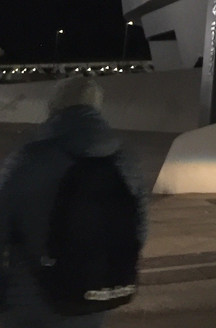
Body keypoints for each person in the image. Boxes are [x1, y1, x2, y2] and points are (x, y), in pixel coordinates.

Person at [0, 77, 147, 327]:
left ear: (54, 107)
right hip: (93, 297)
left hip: (31, 299)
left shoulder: (30, 158)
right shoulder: (125, 161)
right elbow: (138, 231)